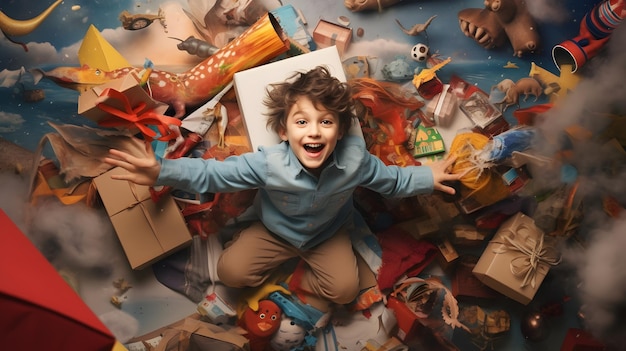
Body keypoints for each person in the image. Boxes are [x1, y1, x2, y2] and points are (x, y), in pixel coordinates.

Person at [104, 65, 461, 314]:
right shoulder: (268, 162)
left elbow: (392, 181)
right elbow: (211, 173)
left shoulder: (355, 161)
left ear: (338, 131)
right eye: (302, 122)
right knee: (230, 274)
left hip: (327, 232)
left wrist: (428, 177)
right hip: (273, 230)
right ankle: (269, 257)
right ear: (284, 132)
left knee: (345, 292)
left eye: (326, 122)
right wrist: (161, 171)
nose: (315, 132)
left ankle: (303, 274)